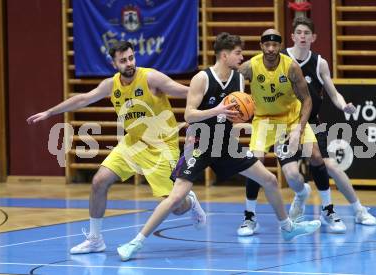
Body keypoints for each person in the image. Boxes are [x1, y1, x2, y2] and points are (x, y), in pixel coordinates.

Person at [116, 32, 321, 261]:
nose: (242, 57)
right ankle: (136, 242)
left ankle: (287, 227)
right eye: (237, 53)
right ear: (224, 55)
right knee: (175, 198)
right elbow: (189, 115)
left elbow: (235, 114)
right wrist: (218, 110)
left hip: (225, 145)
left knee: (270, 180)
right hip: (200, 145)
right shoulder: (201, 79)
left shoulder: (239, 79)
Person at [27, 41, 206, 254]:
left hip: (161, 146)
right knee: (99, 181)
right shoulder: (111, 85)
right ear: (114, 64)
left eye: (131, 58)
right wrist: (50, 112)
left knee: (177, 207)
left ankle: (191, 201)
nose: (129, 63)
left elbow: (188, 92)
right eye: (123, 60)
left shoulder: (151, 77)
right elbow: (83, 99)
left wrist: (207, 109)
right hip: (133, 142)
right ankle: (95, 239)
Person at [240, 18, 376, 236]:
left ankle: (353, 209)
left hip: (309, 121)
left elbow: (332, 92)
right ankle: (297, 196)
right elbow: (241, 77)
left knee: (328, 164)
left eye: (307, 33)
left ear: (313, 37)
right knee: (290, 174)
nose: (303, 36)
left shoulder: (319, 62)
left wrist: (343, 106)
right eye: (299, 32)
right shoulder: (277, 58)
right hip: (282, 121)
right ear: (292, 37)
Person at [237, 29, 320, 236]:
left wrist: (299, 128)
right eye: (267, 45)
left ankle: (301, 193)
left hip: (288, 120)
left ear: (280, 46)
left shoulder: (291, 67)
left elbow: (307, 100)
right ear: (261, 46)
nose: (271, 49)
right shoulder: (249, 67)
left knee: (293, 175)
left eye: (275, 45)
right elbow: (230, 87)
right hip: (263, 120)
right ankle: (249, 217)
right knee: (254, 164)